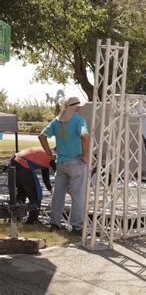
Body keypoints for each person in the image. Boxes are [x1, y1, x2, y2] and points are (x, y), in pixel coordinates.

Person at [38, 96, 89, 235]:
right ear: (76, 107)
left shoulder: (57, 121)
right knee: (78, 195)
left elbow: (41, 136)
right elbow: (85, 136)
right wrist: (85, 155)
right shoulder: (79, 120)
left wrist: (49, 153)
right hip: (76, 162)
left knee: (58, 195)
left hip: (60, 162)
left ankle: (55, 223)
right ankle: (76, 227)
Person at [7, 147, 56, 224]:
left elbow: (45, 177)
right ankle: (32, 220)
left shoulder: (45, 152)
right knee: (36, 194)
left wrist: (50, 190)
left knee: (22, 192)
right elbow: (59, 174)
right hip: (23, 164)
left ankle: (16, 218)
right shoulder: (53, 155)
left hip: (13, 162)